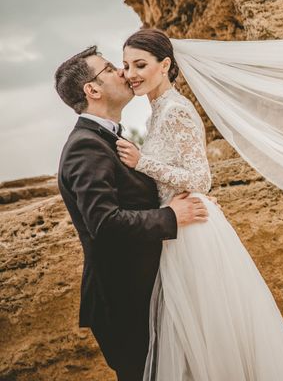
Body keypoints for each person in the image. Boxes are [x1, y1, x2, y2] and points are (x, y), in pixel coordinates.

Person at [115, 28, 283, 380]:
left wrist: (140, 162)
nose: (130, 74)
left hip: (195, 234)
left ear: (165, 65)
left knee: (210, 335)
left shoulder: (177, 110)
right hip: (177, 228)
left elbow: (200, 178)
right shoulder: (155, 113)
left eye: (140, 64)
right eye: (126, 65)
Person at [54, 46, 210, 381]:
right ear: (92, 90)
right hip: (123, 301)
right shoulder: (85, 146)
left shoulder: (109, 139)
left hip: (144, 290)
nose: (124, 73)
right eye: (111, 68)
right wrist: (172, 216)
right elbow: (105, 223)